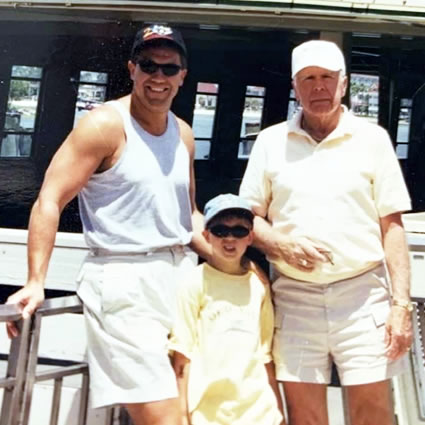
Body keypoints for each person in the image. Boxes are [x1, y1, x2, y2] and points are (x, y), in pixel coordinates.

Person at [6, 23, 208, 425]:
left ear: (183, 76)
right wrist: (35, 280)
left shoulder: (183, 134)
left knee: (190, 404)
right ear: (132, 68)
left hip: (181, 278)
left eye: (170, 69)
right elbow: (49, 199)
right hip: (122, 281)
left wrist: (235, 260)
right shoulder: (103, 125)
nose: (159, 77)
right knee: (163, 416)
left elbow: (190, 214)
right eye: (149, 66)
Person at [240, 39, 413, 425]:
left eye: (327, 78)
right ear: (294, 86)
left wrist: (400, 306)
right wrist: (281, 244)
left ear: (344, 84)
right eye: (308, 78)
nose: (318, 87)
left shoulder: (373, 140)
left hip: (363, 295)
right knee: (305, 416)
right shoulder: (270, 142)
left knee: (373, 415)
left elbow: (392, 226)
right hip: (294, 295)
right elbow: (249, 218)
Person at [171, 193, 285, 425]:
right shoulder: (193, 284)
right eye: (220, 231)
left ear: (250, 237)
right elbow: (182, 357)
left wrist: (279, 411)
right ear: (206, 235)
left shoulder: (259, 286)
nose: (229, 238)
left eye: (239, 231)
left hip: (258, 412)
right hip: (208, 413)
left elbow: (265, 356)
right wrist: (182, 416)